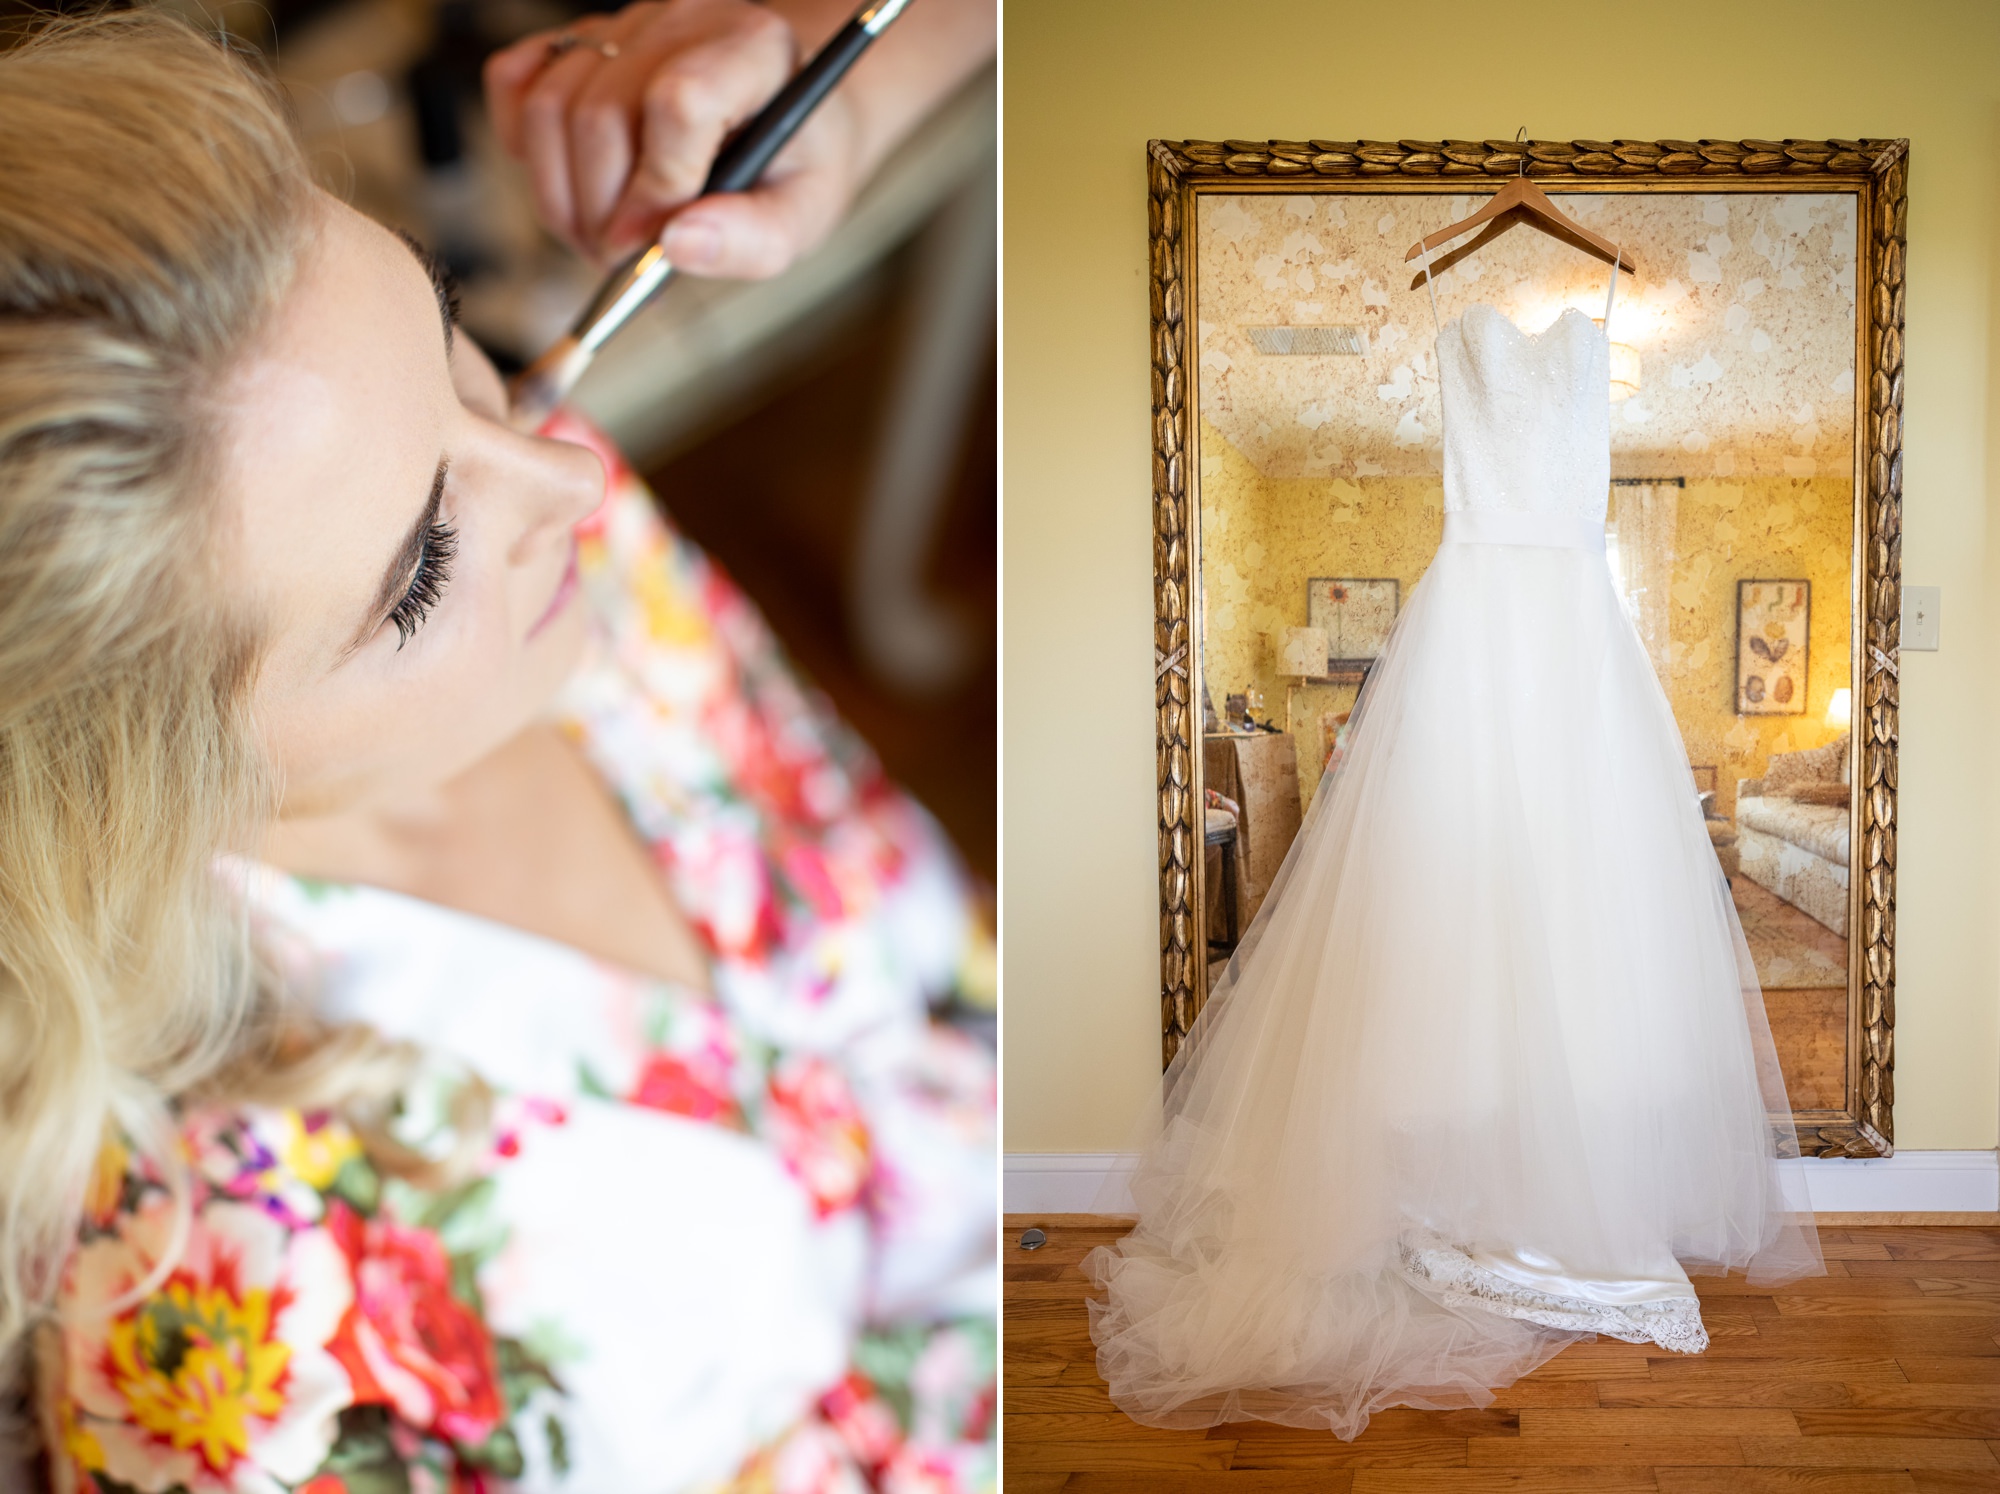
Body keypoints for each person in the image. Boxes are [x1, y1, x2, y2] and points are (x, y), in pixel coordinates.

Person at [0, 5, 994, 1490]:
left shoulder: (520, 527)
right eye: (416, 576)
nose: (574, 470)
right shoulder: (224, 1343)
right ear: (119, 783)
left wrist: (846, 81)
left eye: (453, 331)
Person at [1084, 233, 1823, 1436]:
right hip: (1474, 631)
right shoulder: (1453, 307)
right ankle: (1472, 1182)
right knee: (1450, 909)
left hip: (1573, 633)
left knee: (1577, 910)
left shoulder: (1598, 308)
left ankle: (1549, 1176)